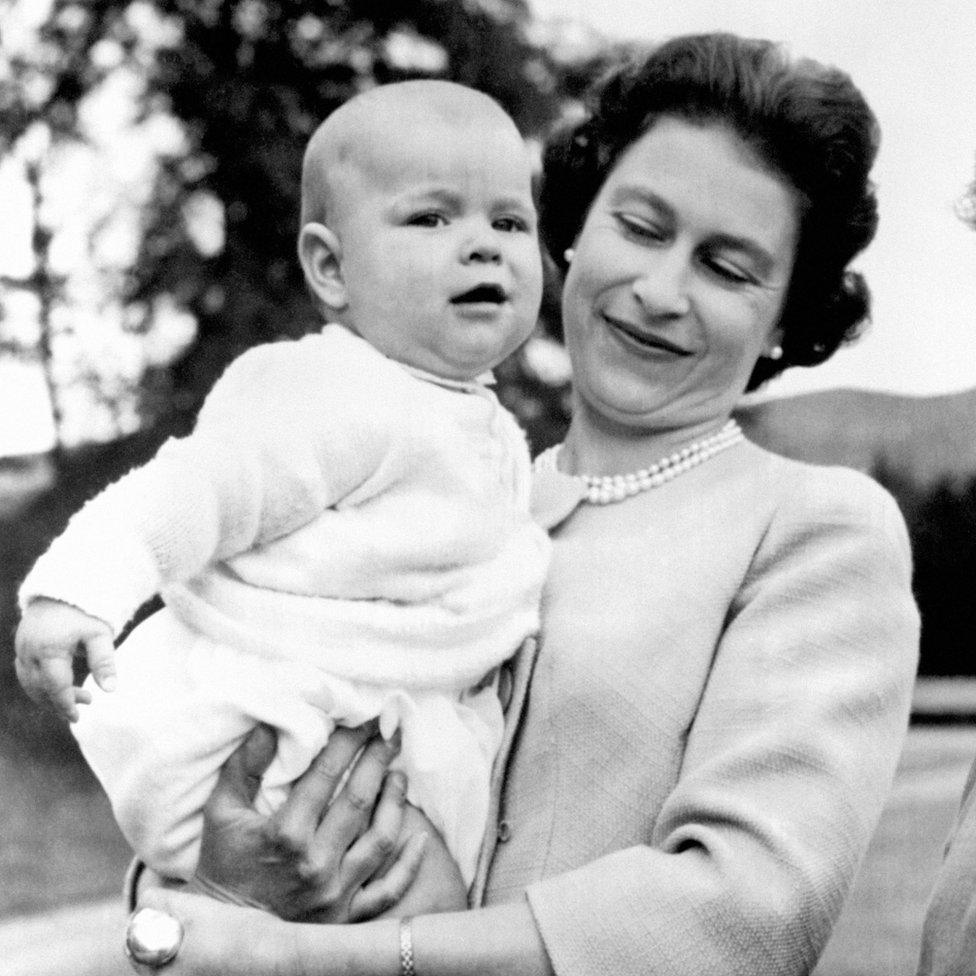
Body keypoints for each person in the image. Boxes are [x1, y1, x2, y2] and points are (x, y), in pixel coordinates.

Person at [128, 32, 921, 976]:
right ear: (576, 229)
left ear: (787, 316)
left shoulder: (815, 530)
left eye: (729, 268)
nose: (660, 291)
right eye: (641, 226)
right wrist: (221, 879)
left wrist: (326, 957)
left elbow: (746, 912)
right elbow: (208, 716)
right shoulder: (438, 490)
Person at [13, 80, 550, 890]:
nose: (482, 244)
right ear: (331, 268)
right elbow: (194, 490)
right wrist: (80, 589)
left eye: (509, 221)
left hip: (379, 733)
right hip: (280, 728)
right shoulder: (326, 390)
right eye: (431, 218)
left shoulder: (481, 425)